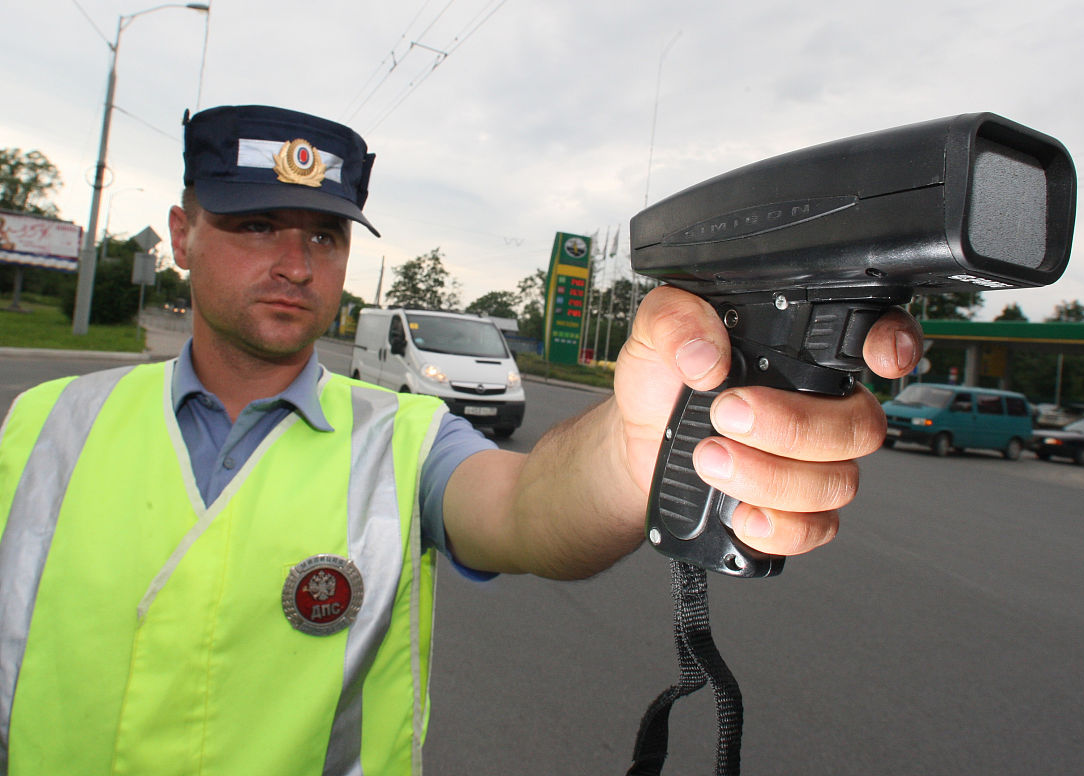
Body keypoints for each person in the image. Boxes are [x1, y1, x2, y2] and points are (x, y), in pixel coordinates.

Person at [0, 105, 922, 774]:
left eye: (325, 235)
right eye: (253, 226)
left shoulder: (403, 438)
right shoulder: (43, 425)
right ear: (181, 236)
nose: (294, 262)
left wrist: (637, 450)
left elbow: (521, 507)